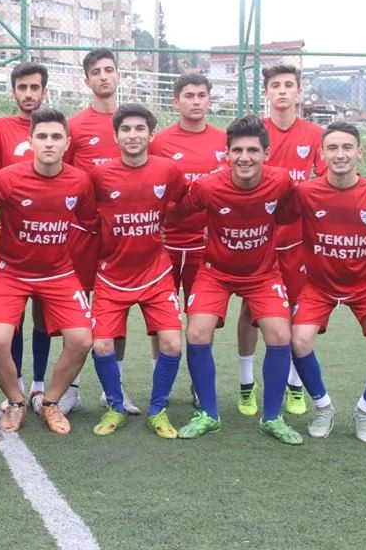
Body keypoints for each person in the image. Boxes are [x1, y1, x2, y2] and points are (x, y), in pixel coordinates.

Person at [170, 115, 303, 445]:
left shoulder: (281, 181)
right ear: (227, 154)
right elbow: (179, 212)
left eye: (252, 150)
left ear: (266, 153)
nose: (245, 157)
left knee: (280, 334)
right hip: (215, 272)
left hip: (263, 274)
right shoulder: (208, 186)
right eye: (238, 150)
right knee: (197, 332)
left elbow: (289, 213)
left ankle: (271, 418)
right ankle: (209, 414)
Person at [288, 122, 366, 443]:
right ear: (322, 154)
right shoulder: (305, 193)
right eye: (332, 148)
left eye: (346, 147)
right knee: (298, 341)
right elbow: (274, 217)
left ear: (359, 152)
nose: (339, 154)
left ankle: (365, 412)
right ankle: (323, 407)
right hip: (318, 285)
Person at [0, 108, 96, 436]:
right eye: (42, 136)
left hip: (59, 274)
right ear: (30, 141)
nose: (49, 143)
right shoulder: (8, 178)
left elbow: (91, 222)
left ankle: (50, 402)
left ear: (67, 143)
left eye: (56, 137)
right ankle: (16, 402)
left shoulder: (80, 181)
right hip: (10, 273)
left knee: (81, 340)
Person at [89, 104, 188, 439]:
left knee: (171, 344)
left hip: (155, 273)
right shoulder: (99, 175)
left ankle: (158, 410)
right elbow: (86, 215)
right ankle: (115, 407)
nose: (133, 135)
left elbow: (182, 202)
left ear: (151, 134)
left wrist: (166, 225)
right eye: (126, 129)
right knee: (102, 345)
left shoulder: (168, 170)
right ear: (116, 136)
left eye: (140, 129)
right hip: (111, 275)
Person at [236, 64, 326, 417]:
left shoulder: (315, 134)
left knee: (298, 313)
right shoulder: (256, 134)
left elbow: (324, 182)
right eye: (276, 85)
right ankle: (246, 385)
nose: (283, 90)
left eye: (289, 84)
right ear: (267, 92)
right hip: (260, 240)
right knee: (250, 311)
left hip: (299, 242)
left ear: (299, 91)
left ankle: (294, 385)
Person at [66, 48, 140, 416]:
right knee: (77, 312)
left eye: (109, 70)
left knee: (118, 312)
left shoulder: (133, 124)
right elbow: (63, 177)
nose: (104, 76)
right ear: (87, 80)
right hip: (83, 234)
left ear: (118, 75)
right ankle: (71, 388)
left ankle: (115, 389)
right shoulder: (75, 126)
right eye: (96, 71)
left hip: (122, 236)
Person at [148, 73, 226, 410]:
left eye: (202, 95)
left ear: (209, 99)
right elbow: (148, 185)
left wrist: (218, 226)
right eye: (189, 95)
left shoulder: (224, 141)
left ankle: (199, 383)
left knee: (201, 320)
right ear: (175, 102)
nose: (196, 101)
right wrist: (156, 223)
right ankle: (160, 384)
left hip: (204, 247)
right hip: (165, 246)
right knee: (161, 320)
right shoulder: (160, 142)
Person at [0, 62, 55, 407]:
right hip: (13, 238)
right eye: (22, 88)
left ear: (44, 90)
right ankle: (17, 384)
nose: (29, 94)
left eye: (34, 87)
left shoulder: (55, 128)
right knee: (12, 319)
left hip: (52, 240)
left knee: (43, 315)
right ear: (13, 91)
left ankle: (39, 385)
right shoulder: (0, 128)